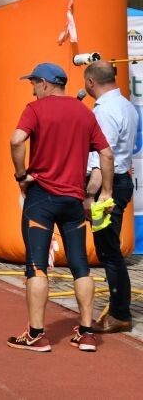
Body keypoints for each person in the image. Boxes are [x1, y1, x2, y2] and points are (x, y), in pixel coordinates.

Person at [4, 62, 114, 353]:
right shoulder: (85, 113)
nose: (32, 90)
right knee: (80, 266)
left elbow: (16, 140)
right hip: (73, 200)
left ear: (44, 83)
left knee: (37, 266)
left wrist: (20, 175)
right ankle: (87, 333)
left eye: (33, 84)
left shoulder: (35, 109)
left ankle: (36, 335)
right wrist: (106, 192)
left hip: (41, 197)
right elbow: (106, 154)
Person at [83, 61, 138, 333]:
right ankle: (119, 310)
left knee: (108, 251)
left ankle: (120, 313)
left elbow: (102, 157)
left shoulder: (104, 111)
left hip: (109, 183)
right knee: (110, 249)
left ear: (90, 82)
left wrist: (93, 194)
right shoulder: (126, 105)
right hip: (119, 180)